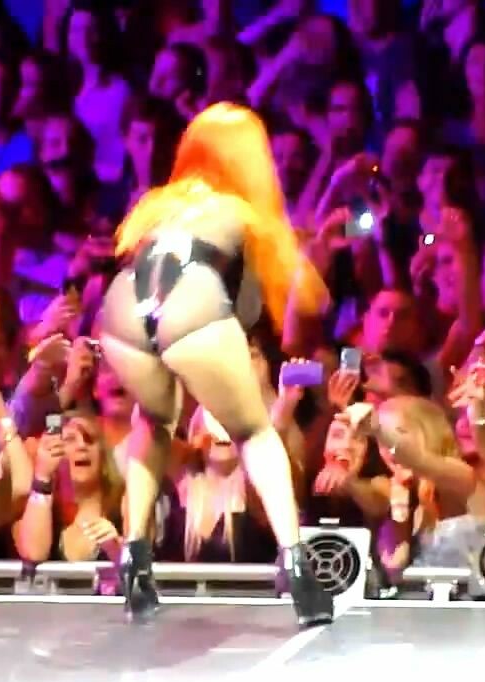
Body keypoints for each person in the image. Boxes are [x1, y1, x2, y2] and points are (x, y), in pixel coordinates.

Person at [99, 102, 333, 627]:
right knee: (254, 432)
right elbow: (248, 310)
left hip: (121, 309)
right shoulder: (243, 212)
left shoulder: (155, 206)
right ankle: (297, 566)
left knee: (152, 421)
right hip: (193, 299)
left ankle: (135, 558)